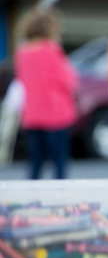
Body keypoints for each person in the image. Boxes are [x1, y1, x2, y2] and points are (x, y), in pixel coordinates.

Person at [13, 9, 78, 179]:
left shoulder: (22, 51)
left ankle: (33, 200)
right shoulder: (51, 49)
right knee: (59, 164)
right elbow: (69, 80)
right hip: (55, 113)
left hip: (33, 114)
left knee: (35, 163)